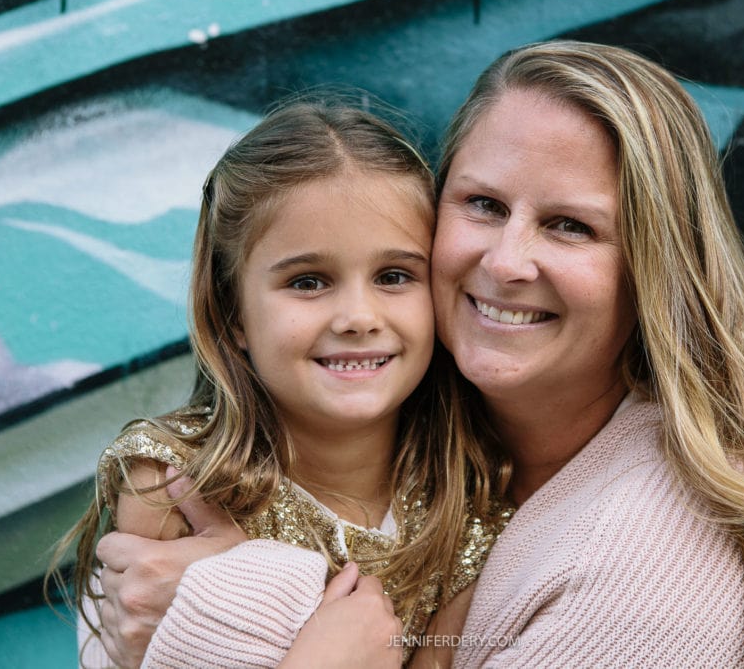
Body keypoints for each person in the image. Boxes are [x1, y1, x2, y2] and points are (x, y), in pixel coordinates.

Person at [93, 41, 744, 668]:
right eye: (483, 203)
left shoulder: (654, 559)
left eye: (569, 225)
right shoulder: (464, 463)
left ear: (656, 269)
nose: (507, 260)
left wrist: (238, 610)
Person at [46, 97, 512, 669]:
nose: (358, 317)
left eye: (394, 276)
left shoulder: (470, 495)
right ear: (233, 312)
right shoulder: (175, 483)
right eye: (309, 281)